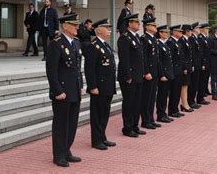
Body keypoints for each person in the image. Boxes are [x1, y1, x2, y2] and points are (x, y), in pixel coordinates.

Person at [45, 13, 83, 167]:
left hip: (74, 90)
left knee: (72, 123)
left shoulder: (76, 43)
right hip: (62, 91)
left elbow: (76, 68)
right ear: (65, 26)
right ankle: (58, 155)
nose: (76, 27)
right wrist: (57, 90)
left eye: (77, 25)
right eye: (74, 25)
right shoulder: (56, 43)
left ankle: (67, 150)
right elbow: (51, 70)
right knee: (61, 124)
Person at [83, 18, 117, 151]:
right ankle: (96, 140)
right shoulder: (93, 46)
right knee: (97, 114)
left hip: (108, 85)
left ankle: (102, 136)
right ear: (98, 30)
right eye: (106, 27)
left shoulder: (105, 45)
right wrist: (92, 86)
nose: (109, 29)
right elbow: (89, 68)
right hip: (99, 86)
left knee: (104, 113)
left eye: (109, 27)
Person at [117, 13, 146, 138]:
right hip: (129, 76)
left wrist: (143, 72)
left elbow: (140, 58)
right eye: (136, 22)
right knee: (129, 102)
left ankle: (135, 125)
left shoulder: (137, 37)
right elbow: (124, 59)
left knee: (137, 102)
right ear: (130, 24)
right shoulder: (124, 38)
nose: (139, 24)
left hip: (138, 75)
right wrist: (128, 75)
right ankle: (127, 128)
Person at [140, 17, 161, 129]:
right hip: (148, 73)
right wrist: (146, 72)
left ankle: (151, 119)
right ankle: (145, 120)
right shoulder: (144, 39)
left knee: (152, 97)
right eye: (153, 25)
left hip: (155, 72)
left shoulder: (153, 39)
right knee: (146, 98)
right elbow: (143, 57)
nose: (155, 27)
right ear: (147, 27)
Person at [155, 25, 175, 123]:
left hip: (168, 73)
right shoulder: (158, 44)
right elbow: (159, 62)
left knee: (165, 94)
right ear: (160, 33)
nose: (167, 34)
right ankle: (160, 114)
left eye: (167, 32)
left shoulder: (165, 44)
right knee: (161, 95)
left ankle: (163, 113)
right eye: (165, 32)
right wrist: (162, 74)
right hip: (163, 74)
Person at [166, 25, 185, 118]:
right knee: (173, 92)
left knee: (177, 91)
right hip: (174, 71)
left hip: (179, 70)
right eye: (179, 31)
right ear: (173, 32)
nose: (181, 33)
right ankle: (171, 110)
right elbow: (171, 59)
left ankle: (175, 109)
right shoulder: (170, 42)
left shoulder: (178, 42)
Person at [179, 24, 194, 112]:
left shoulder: (187, 40)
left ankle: (185, 103)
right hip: (184, 67)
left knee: (186, 85)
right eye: (190, 31)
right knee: (184, 85)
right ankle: (184, 103)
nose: (191, 32)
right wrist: (184, 67)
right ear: (187, 31)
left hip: (188, 66)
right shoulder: (182, 40)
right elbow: (183, 55)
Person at [188, 22, 202, 109]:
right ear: (193, 30)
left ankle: (193, 100)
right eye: (198, 28)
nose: (199, 29)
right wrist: (193, 65)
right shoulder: (192, 39)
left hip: (197, 64)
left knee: (195, 84)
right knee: (192, 84)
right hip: (194, 65)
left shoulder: (196, 38)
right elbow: (192, 53)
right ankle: (190, 101)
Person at [196, 23, 211, 105]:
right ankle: (200, 98)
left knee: (204, 81)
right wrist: (203, 64)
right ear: (202, 29)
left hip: (207, 62)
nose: (207, 30)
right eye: (206, 28)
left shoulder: (205, 38)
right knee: (201, 81)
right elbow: (201, 53)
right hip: (204, 63)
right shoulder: (200, 38)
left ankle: (202, 96)